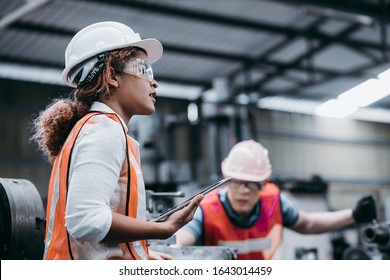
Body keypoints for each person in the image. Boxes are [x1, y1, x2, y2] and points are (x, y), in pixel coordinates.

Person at [31, 21, 203, 260]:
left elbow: (90, 236)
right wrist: (163, 229)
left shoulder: (98, 128)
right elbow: (86, 221)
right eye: (143, 69)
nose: (154, 82)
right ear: (111, 75)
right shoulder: (104, 130)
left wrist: (141, 252)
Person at [175, 139, 377, 260]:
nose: (244, 190)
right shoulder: (207, 209)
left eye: (252, 183)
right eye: (237, 182)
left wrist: (354, 215)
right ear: (227, 181)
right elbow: (182, 237)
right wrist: (165, 246)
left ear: (263, 183)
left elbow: (307, 223)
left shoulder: (274, 203)